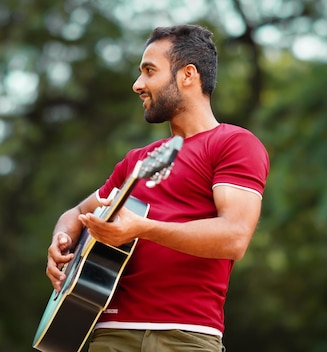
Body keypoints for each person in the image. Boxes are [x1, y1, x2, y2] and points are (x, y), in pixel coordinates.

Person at [46, 24, 269, 351]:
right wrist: (61, 241)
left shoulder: (233, 143)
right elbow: (78, 213)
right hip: (106, 334)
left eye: (149, 71)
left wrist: (143, 229)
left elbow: (234, 236)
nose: (138, 85)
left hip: (183, 335)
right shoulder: (136, 161)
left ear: (187, 75)